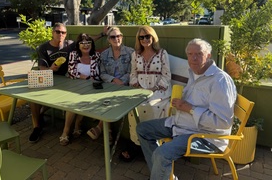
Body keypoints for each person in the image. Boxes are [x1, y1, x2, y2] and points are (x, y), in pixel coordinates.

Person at [136, 38, 237, 180]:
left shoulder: (220, 81)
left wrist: (189, 108)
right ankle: (160, 174)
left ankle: (159, 175)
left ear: (208, 56)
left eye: (199, 54)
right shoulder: (195, 72)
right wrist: (181, 103)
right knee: (143, 129)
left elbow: (223, 122)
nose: (193, 58)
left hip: (205, 136)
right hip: (182, 124)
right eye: (190, 54)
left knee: (162, 154)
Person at [28, 23, 108, 143]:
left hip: (66, 80)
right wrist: (51, 69)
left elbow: (86, 41)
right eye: (58, 32)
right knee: (33, 99)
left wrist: (103, 34)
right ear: (52, 32)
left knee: (69, 99)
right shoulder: (44, 48)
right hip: (51, 77)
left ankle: (45, 119)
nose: (61, 34)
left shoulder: (69, 44)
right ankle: (36, 127)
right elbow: (41, 68)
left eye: (63, 32)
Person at [120, 25, 172, 162]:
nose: (144, 39)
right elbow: (133, 73)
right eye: (141, 37)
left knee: (151, 107)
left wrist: (154, 89)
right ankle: (137, 144)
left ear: (153, 37)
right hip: (140, 89)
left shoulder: (162, 53)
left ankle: (154, 145)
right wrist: (136, 84)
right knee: (133, 107)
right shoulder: (135, 54)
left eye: (147, 36)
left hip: (159, 90)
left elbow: (166, 75)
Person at [86, 27, 134, 144]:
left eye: (118, 36)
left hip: (125, 85)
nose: (116, 38)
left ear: (122, 37)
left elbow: (133, 72)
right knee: (103, 97)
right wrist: (113, 80)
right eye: (113, 37)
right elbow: (102, 73)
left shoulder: (130, 52)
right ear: (108, 39)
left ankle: (101, 128)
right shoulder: (104, 55)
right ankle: (108, 131)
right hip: (110, 85)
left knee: (110, 99)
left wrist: (121, 81)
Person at [58, 33, 101, 145]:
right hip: (75, 86)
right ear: (78, 45)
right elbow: (72, 72)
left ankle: (78, 125)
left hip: (91, 88)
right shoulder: (74, 54)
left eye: (88, 43)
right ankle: (66, 131)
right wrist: (85, 77)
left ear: (91, 44)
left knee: (83, 101)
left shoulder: (96, 56)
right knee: (72, 103)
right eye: (82, 43)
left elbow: (97, 74)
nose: (85, 45)